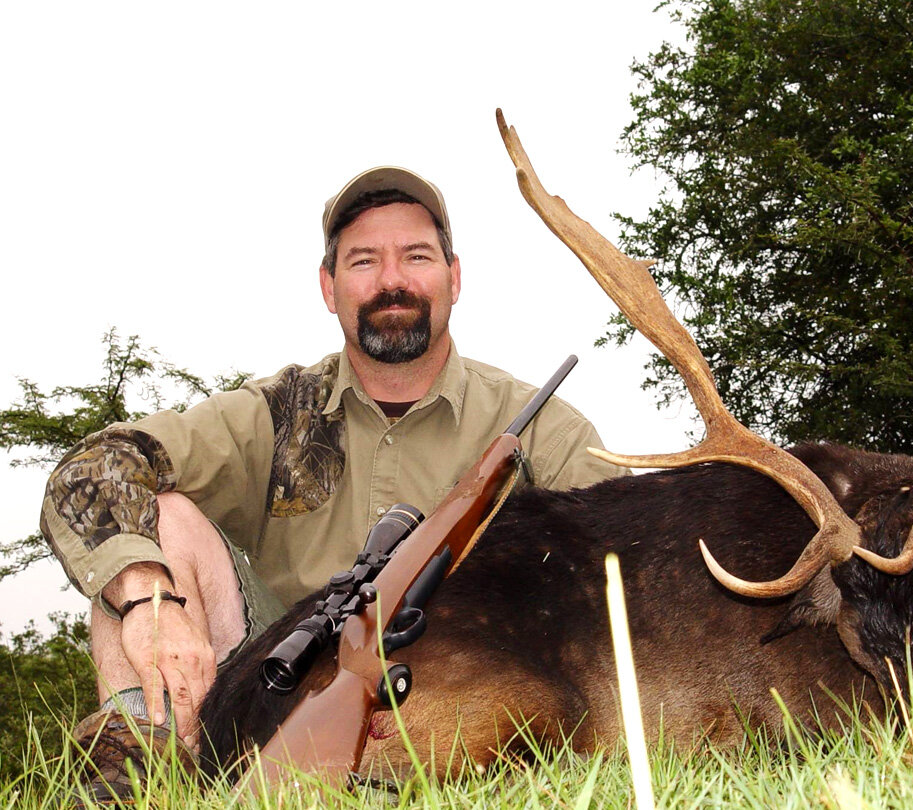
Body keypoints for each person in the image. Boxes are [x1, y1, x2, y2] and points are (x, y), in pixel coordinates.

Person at [41, 166, 626, 787]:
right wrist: (148, 601)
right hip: (269, 674)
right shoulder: (275, 410)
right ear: (329, 286)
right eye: (364, 261)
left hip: (474, 680)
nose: (393, 280)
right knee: (152, 530)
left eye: (417, 256)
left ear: (455, 279)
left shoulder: (545, 431)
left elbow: (625, 564)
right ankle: (138, 775)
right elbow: (93, 470)